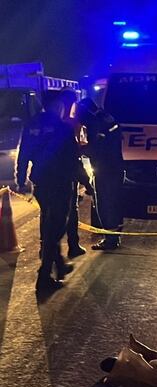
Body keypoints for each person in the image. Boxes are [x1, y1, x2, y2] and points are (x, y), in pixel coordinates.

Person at [14, 91, 84, 291]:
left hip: (41, 183)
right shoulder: (62, 128)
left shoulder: (32, 124)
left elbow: (23, 153)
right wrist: (85, 182)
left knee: (49, 223)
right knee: (57, 227)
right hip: (60, 183)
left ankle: (59, 265)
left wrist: (21, 179)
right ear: (56, 105)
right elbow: (73, 160)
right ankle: (44, 276)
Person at [76, 98, 124, 250]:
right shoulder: (106, 118)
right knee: (113, 203)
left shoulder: (96, 124)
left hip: (105, 169)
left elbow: (98, 149)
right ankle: (114, 235)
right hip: (114, 167)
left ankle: (111, 239)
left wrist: (79, 149)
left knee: (104, 204)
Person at [60, 88, 92, 258]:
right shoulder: (71, 123)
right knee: (71, 210)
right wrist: (87, 183)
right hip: (68, 173)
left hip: (48, 176)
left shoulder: (49, 120)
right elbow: (76, 153)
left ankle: (47, 247)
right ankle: (72, 245)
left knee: (48, 213)